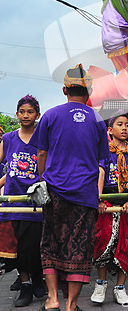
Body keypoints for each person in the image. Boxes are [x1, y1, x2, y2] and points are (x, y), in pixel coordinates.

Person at [30, 64, 109, 311]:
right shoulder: (97, 119)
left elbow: (41, 152)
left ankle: (52, 298)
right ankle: (70, 305)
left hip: (54, 192)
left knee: (50, 243)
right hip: (85, 194)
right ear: (90, 91)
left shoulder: (51, 116)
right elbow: (100, 161)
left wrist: (43, 176)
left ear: (65, 90)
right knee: (80, 248)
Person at [91, 114, 128, 305]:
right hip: (107, 201)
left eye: (127, 125)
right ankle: (101, 284)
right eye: (119, 124)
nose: (124, 128)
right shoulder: (103, 151)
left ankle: (120, 288)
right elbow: (100, 174)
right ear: (110, 130)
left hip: (126, 202)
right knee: (102, 240)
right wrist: (99, 200)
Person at [0, 95, 45, 307]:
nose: (26, 115)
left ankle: (38, 278)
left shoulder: (43, 138)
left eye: (30, 112)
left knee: (33, 246)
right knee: (16, 248)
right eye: (22, 111)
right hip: (12, 202)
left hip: (36, 203)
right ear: (17, 114)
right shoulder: (8, 138)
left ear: (37, 114)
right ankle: (26, 285)